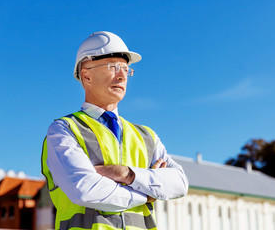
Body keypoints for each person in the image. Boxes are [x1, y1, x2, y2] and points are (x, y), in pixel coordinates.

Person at [41, 31, 188, 230]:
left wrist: (127, 174)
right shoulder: (64, 130)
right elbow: (85, 190)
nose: (122, 76)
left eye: (126, 70)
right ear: (86, 74)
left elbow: (179, 183)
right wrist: (149, 194)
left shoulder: (147, 136)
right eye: (114, 67)